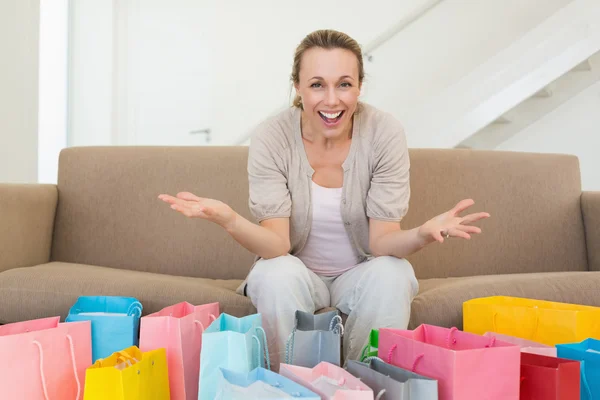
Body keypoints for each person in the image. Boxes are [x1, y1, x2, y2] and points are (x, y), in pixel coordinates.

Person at [158, 29, 490, 370]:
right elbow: (276, 245)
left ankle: (364, 385)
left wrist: (422, 233)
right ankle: (288, 384)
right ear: (298, 88)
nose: (332, 100)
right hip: (297, 271)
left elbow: (382, 242)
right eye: (317, 84)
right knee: (274, 274)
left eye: (344, 84)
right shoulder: (272, 136)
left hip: (360, 271)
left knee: (394, 273)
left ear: (359, 86)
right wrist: (229, 219)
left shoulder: (384, 132)